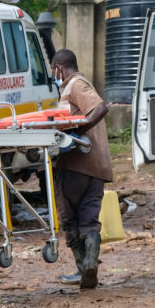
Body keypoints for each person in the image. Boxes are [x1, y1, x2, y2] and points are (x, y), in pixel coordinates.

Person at [50, 49, 111, 288]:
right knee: (89, 218)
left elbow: (100, 108)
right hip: (98, 166)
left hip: (77, 164)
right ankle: (91, 266)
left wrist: (79, 131)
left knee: (68, 217)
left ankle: (82, 267)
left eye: (53, 70)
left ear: (59, 68)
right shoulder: (79, 85)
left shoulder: (75, 84)